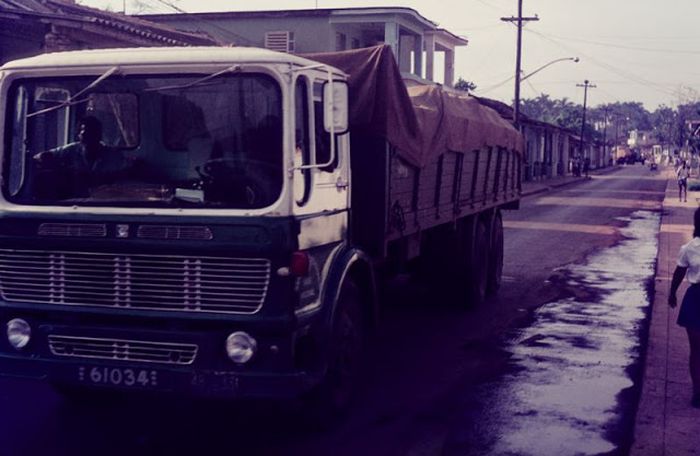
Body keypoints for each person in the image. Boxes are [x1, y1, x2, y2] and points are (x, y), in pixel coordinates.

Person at [34, 116, 134, 197]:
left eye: (90, 131)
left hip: (105, 199)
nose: (84, 133)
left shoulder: (113, 155)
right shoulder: (71, 150)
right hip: (76, 198)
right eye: (82, 130)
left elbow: (122, 178)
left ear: (98, 135)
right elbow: (40, 157)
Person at [669, 207, 700, 408]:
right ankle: (698, 392)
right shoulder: (689, 248)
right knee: (697, 349)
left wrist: (672, 292)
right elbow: (679, 273)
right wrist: (672, 293)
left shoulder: (689, 247)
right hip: (696, 299)